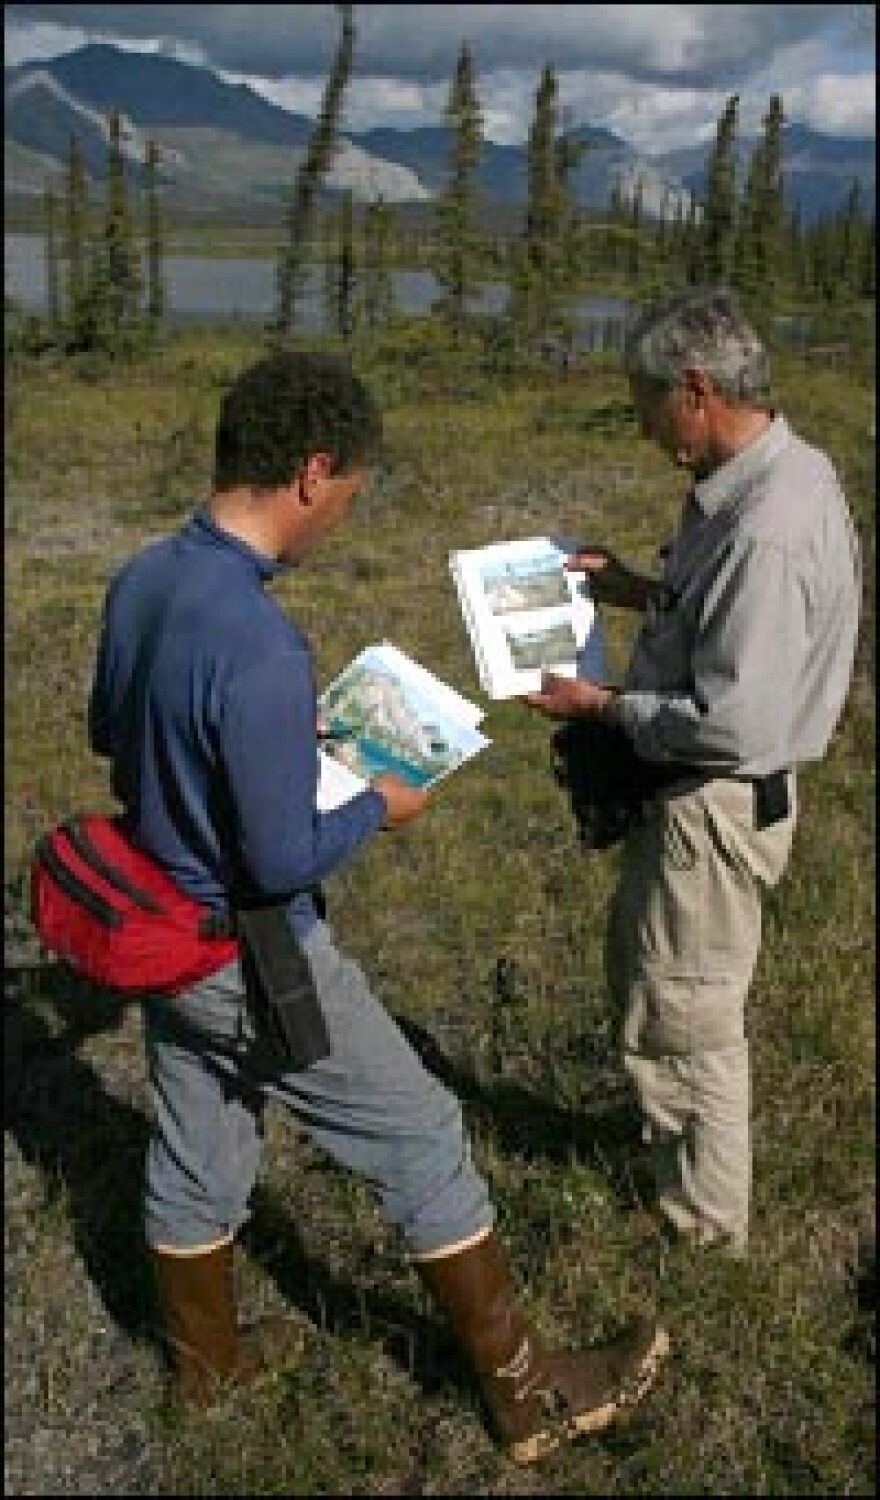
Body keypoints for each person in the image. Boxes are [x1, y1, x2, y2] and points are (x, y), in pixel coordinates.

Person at [87, 348, 668, 1464]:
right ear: (312, 472)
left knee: (199, 1138)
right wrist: (380, 809)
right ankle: (528, 1397)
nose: (342, 519)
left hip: (155, 931)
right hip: (252, 949)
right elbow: (277, 856)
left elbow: (114, 737)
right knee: (421, 1134)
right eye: (348, 494)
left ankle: (206, 1376)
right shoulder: (259, 642)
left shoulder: (145, 580)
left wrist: (248, 759)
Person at [525, 287, 861, 1256]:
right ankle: (681, 1169)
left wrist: (598, 708)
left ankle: (703, 1230)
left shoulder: (764, 524)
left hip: (710, 808)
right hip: (704, 807)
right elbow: (722, 621)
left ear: (698, 389)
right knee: (661, 989)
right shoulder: (772, 476)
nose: (638, 423)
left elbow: (729, 721)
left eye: (644, 400)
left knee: (687, 1017)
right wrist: (635, 587)